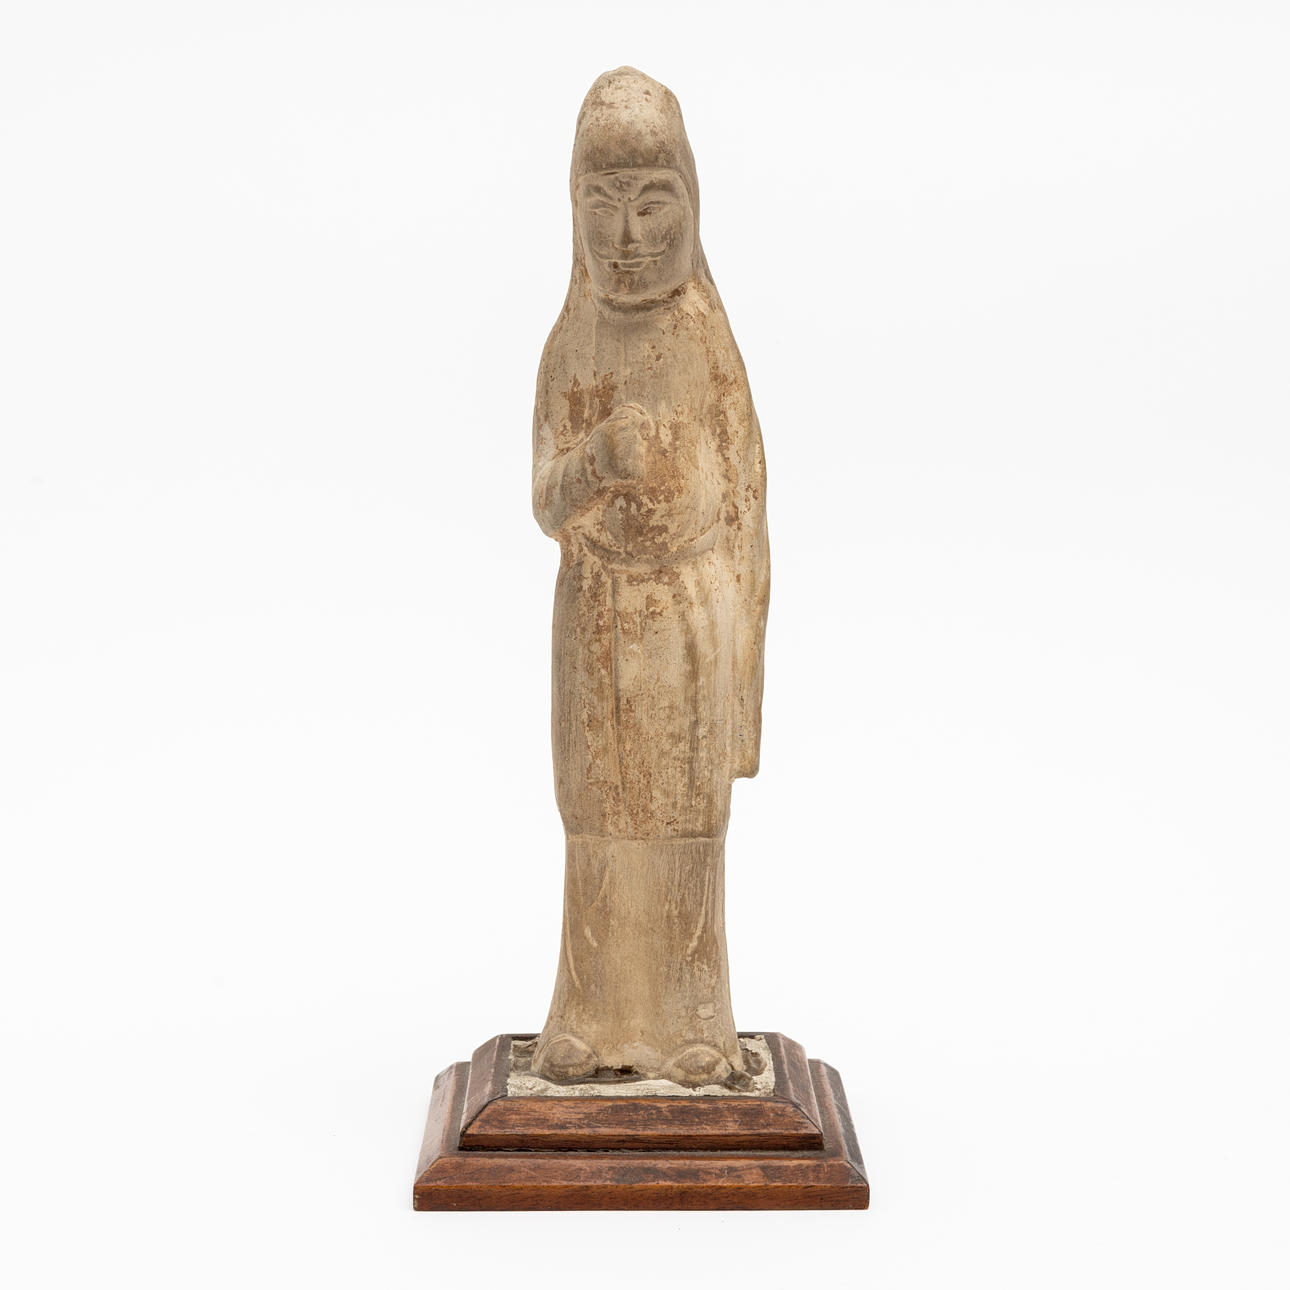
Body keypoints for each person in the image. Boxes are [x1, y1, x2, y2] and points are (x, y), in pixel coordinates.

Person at [530, 67, 770, 1086]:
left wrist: (744, 685)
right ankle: (589, 1019)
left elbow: (746, 508)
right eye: (602, 207)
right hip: (596, 617)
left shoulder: (705, 343)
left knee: (681, 824)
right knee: (597, 819)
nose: (626, 237)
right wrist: (595, 463)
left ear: (690, 204)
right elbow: (546, 501)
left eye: (651, 204)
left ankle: (693, 1024)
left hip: (687, 620)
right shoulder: (571, 343)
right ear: (573, 213)